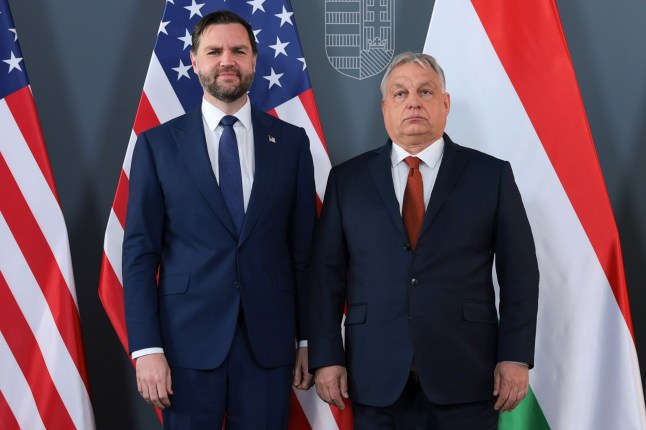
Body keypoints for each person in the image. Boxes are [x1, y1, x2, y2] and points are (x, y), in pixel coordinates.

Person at [308, 52, 539, 429]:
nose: (413, 101)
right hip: (375, 374)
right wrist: (327, 356)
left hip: (466, 373)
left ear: (445, 104)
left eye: (425, 91)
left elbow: (520, 274)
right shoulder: (347, 181)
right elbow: (325, 277)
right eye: (400, 93)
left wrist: (514, 356)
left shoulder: (490, 176)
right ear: (384, 108)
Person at [122, 10, 316, 429]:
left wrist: (306, 338)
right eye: (214, 51)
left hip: (269, 346)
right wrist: (147, 349)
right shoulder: (157, 146)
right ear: (194, 61)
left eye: (238, 51)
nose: (227, 60)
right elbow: (139, 254)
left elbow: (303, 252)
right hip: (184, 348)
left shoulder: (291, 143)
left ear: (254, 60)